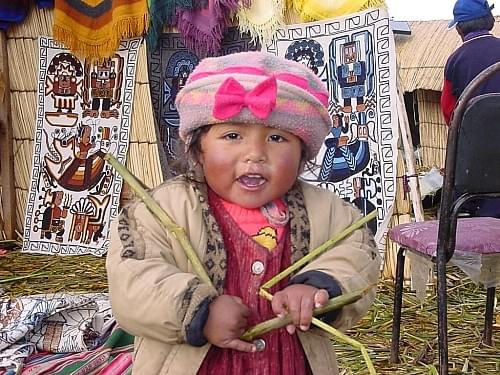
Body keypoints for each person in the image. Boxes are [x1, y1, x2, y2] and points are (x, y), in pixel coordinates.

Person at [106, 51, 380, 375]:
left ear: (303, 153)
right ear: (198, 147)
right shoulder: (160, 212)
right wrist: (198, 311)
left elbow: (358, 253)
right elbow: (133, 278)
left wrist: (320, 287)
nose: (255, 155)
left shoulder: (328, 211)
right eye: (232, 135)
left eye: (277, 138)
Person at [441, 0, 500, 217]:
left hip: (475, 168)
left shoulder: (455, 60)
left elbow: (449, 113)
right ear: (489, 21)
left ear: (459, 28)